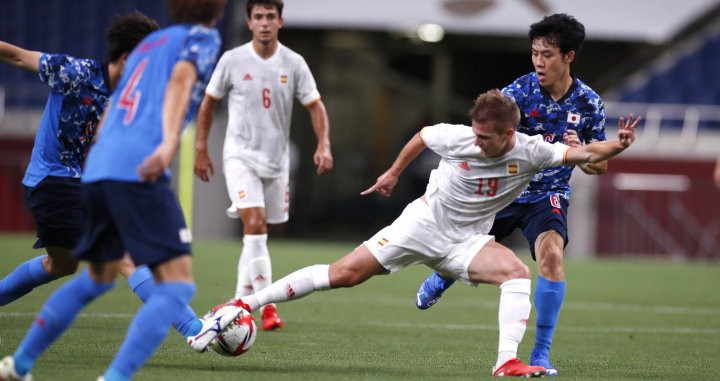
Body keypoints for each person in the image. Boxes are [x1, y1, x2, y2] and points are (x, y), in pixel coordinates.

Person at [205, 89, 639, 377]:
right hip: (422, 224)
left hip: (467, 240)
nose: (477, 141)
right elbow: (422, 137)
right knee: (343, 274)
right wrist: (393, 172)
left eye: (486, 137)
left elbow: (584, 151)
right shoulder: (458, 138)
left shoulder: (532, 151)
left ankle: (507, 361)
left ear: (509, 134)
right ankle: (244, 301)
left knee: (517, 273)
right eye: (475, 132)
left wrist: (617, 146)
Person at [0, 1, 235, 380]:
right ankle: (192, 331)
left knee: (80, 269)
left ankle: (19, 364)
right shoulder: (200, 39)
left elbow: (112, 115)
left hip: (95, 174)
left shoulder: (148, 50)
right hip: (70, 178)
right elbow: (180, 82)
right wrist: (168, 143)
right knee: (164, 279)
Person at [414, 14, 607, 375]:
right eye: (534, 52)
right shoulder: (519, 91)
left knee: (551, 256)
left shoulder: (589, 105)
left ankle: (541, 353)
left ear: (569, 57)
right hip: (503, 190)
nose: (538, 61)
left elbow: (599, 167)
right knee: (464, 241)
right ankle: (444, 275)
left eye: (547, 54)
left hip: (547, 194)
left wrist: (582, 151)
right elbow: (486, 131)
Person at [194, 0, 333, 331]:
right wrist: (201, 147)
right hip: (240, 155)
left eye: (271, 16)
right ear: (250, 22)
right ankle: (268, 307)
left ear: (280, 21)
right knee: (255, 225)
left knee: (257, 234)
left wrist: (324, 144)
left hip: (277, 162)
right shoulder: (233, 60)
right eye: (258, 17)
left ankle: (239, 303)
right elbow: (208, 103)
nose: (265, 22)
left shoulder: (294, 63)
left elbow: (316, 106)